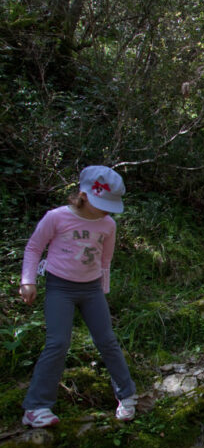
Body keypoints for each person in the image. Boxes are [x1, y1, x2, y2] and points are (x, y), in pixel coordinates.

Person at [18, 165, 137, 428]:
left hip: (92, 289)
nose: (106, 210)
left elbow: (105, 261)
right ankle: (36, 407)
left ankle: (127, 396)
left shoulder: (108, 224)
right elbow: (34, 247)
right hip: (60, 287)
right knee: (58, 343)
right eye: (102, 203)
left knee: (107, 341)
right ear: (84, 195)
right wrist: (28, 281)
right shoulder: (57, 218)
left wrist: (103, 292)